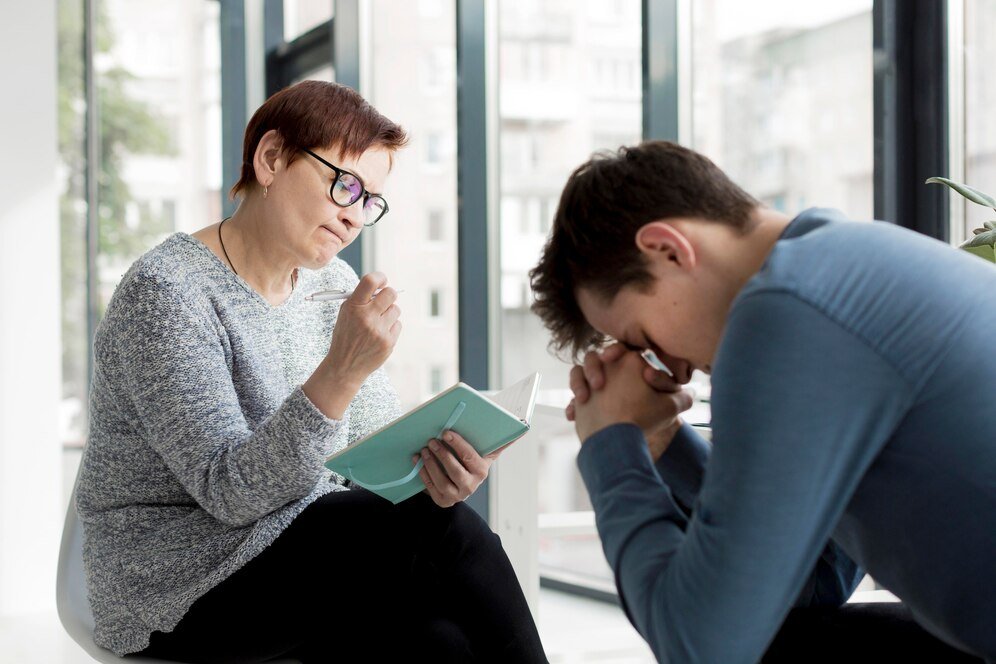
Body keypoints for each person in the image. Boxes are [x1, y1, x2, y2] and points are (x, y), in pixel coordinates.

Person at [75, 80, 547, 663]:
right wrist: (341, 371)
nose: (354, 218)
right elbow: (229, 493)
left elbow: (372, 461)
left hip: (304, 551)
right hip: (175, 584)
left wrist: (437, 468)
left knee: (439, 642)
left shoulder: (334, 287)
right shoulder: (168, 293)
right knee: (442, 531)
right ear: (271, 159)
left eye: (369, 201)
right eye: (344, 185)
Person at [528, 140, 995, 663]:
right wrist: (660, 440)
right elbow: (813, 581)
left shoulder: (786, 313)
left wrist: (610, 444)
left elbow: (700, 649)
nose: (669, 369)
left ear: (668, 249)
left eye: (642, 339)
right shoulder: (835, 265)